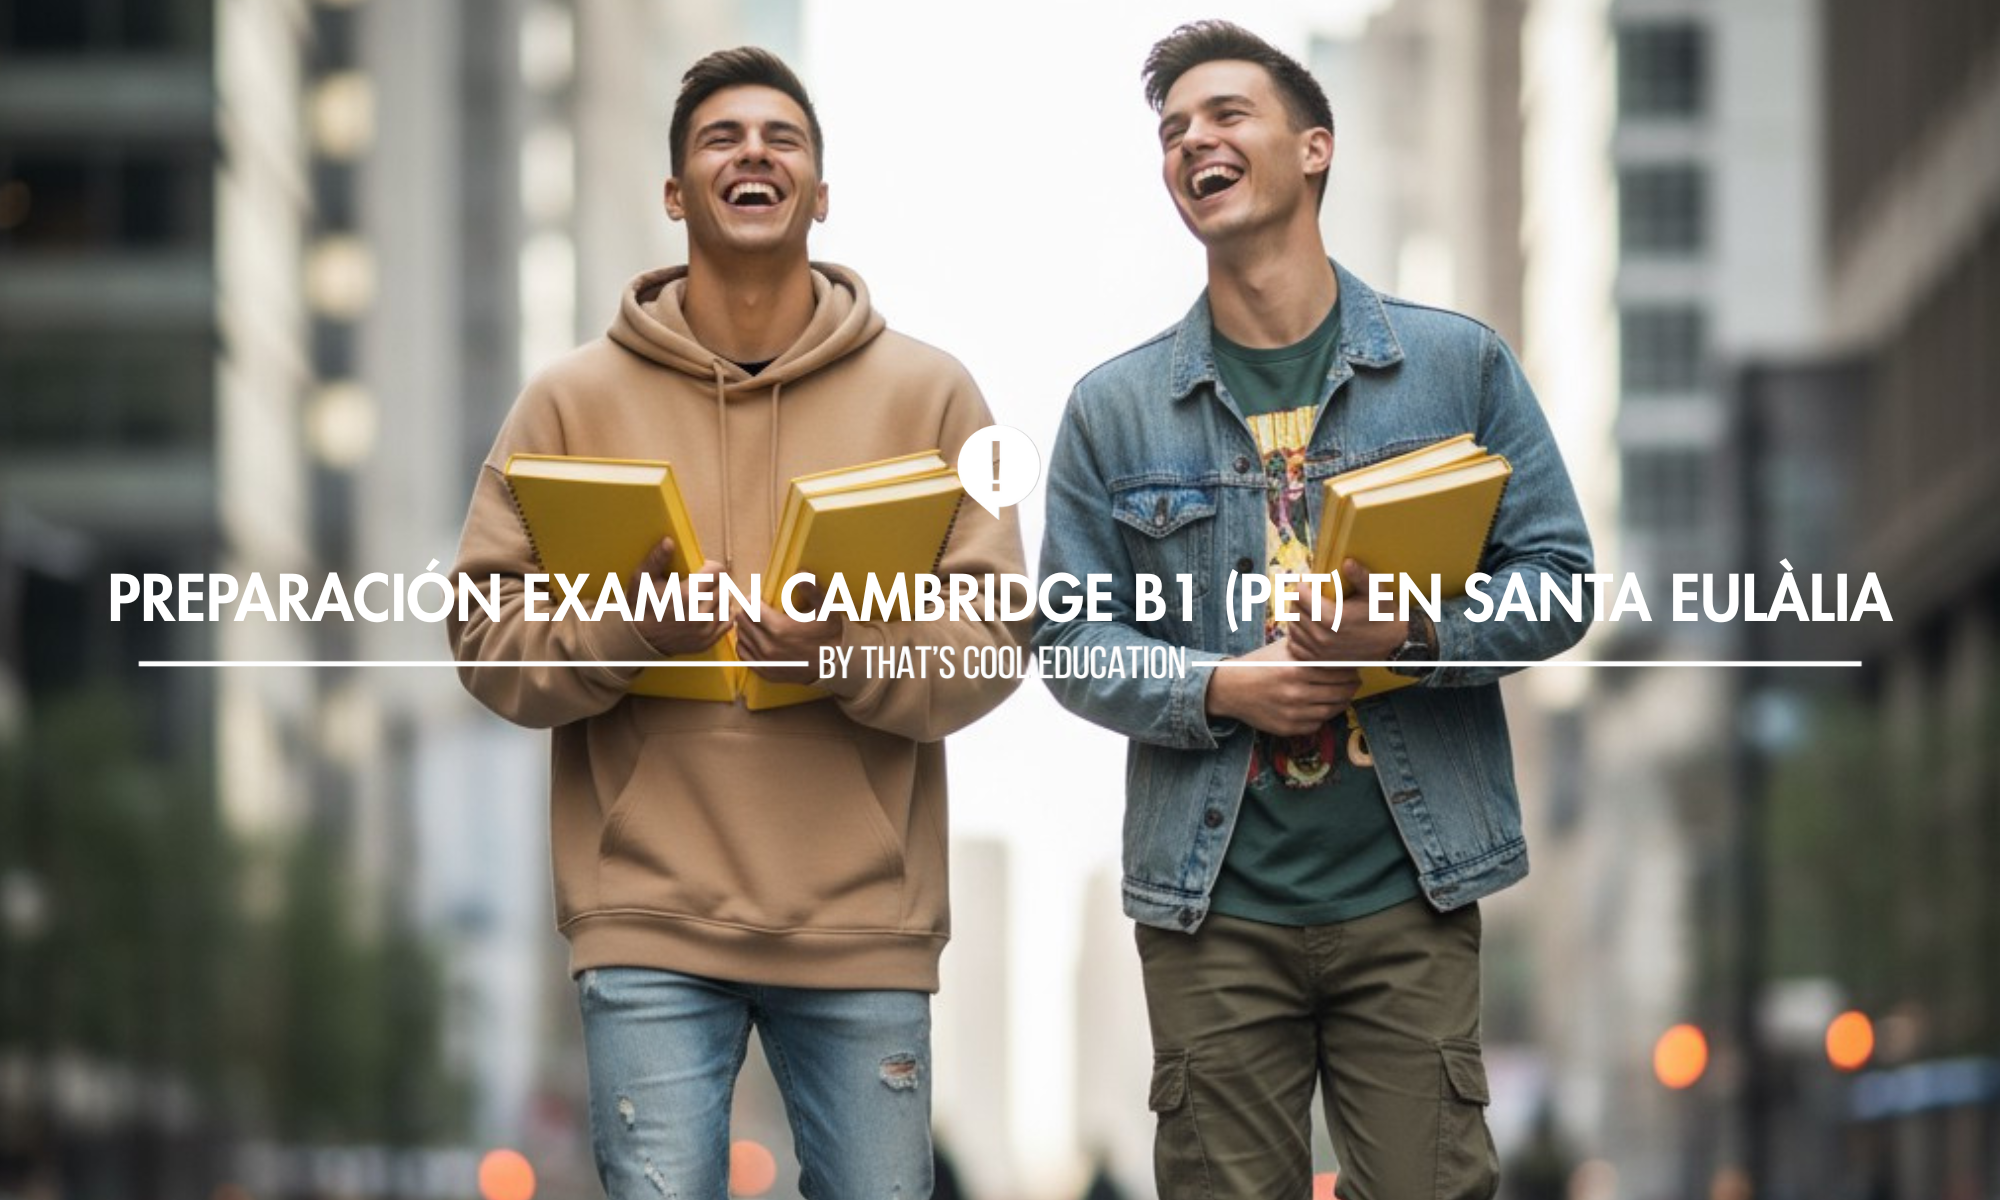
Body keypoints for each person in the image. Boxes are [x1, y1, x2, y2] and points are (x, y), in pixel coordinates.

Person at [448, 47, 1025, 1200]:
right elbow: (480, 636)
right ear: (674, 194)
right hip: (645, 918)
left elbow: (1001, 637)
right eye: (720, 138)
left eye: (782, 138)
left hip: (863, 921)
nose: (752, 152)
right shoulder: (564, 402)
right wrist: (627, 631)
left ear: (820, 192)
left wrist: (838, 653)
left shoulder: (939, 397)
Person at [1032, 21, 1592, 1200]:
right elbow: (1068, 640)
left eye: (1226, 114)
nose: (1194, 141)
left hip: (1409, 887)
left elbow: (1558, 581)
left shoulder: (1456, 370)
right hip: (1210, 908)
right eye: (1172, 130)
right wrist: (1218, 686)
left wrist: (1409, 635)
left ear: (1312, 148)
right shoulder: (1112, 410)